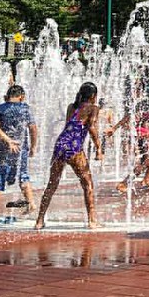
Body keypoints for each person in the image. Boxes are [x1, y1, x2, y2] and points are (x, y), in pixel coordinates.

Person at [35, 82, 103, 230]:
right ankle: (92, 221)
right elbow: (91, 127)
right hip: (74, 147)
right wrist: (98, 147)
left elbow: (70, 125)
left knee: (52, 184)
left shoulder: (71, 107)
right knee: (87, 184)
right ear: (93, 96)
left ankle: (39, 220)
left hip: (60, 144)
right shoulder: (93, 108)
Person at [0, 84, 37, 223]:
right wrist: (33, 147)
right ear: (22, 96)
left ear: (7, 96)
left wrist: (8, 141)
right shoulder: (26, 108)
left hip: (3, 149)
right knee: (23, 175)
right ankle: (31, 204)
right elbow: (33, 128)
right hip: (21, 149)